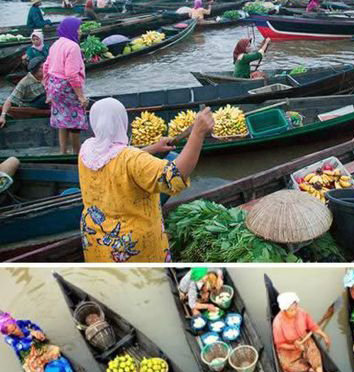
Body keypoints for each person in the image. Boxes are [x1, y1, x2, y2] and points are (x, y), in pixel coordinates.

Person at [78, 98, 214, 263]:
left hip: (96, 239)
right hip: (130, 248)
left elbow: (115, 158)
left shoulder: (87, 149)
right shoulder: (132, 159)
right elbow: (174, 176)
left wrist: (152, 148)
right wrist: (197, 134)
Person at [42, 17, 88, 155]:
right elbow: (71, 74)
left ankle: (63, 152)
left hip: (54, 85)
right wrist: (81, 96)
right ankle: (76, 153)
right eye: (78, 29)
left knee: (62, 118)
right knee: (74, 120)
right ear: (71, 30)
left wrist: (48, 92)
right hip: (66, 87)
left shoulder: (56, 44)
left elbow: (46, 67)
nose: (80, 32)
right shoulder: (73, 47)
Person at [0, 312, 74, 372]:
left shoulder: (21, 323)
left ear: (13, 321)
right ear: (8, 333)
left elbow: (33, 325)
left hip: (38, 347)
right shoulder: (9, 339)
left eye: (15, 326)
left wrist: (39, 332)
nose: (17, 330)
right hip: (28, 355)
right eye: (13, 330)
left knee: (56, 350)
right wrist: (30, 336)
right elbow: (21, 346)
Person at [273, 292, 334, 372]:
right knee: (287, 367)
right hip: (288, 347)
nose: (295, 312)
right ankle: (310, 369)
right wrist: (294, 346)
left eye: (295, 308)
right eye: (291, 310)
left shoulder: (302, 312)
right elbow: (279, 344)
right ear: (284, 310)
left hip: (303, 339)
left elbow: (312, 326)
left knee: (313, 351)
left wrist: (324, 335)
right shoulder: (277, 323)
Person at [0, 58, 48, 126]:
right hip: (33, 104)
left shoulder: (47, 76)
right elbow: (10, 100)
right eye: (41, 67)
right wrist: (3, 115)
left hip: (45, 101)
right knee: (45, 97)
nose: (45, 69)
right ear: (35, 70)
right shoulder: (25, 82)